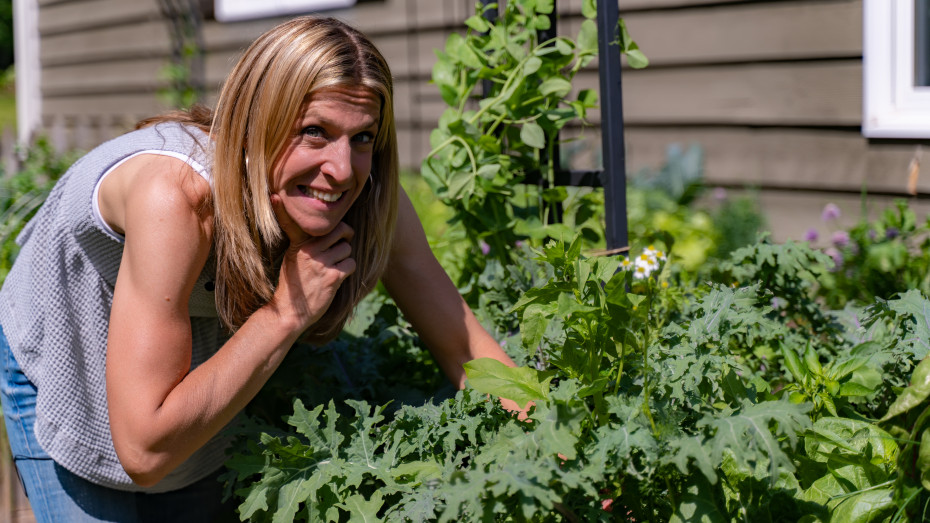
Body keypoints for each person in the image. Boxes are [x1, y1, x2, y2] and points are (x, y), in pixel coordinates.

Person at [0, 16, 518, 522]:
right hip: (69, 354)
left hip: (194, 359)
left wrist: (561, 450)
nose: (341, 170)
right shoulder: (176, 199)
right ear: (255, 124)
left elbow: (465, 348)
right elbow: (145, 451)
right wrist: (285, 313)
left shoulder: (369, 196)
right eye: (314, 132)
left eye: (363, 138)